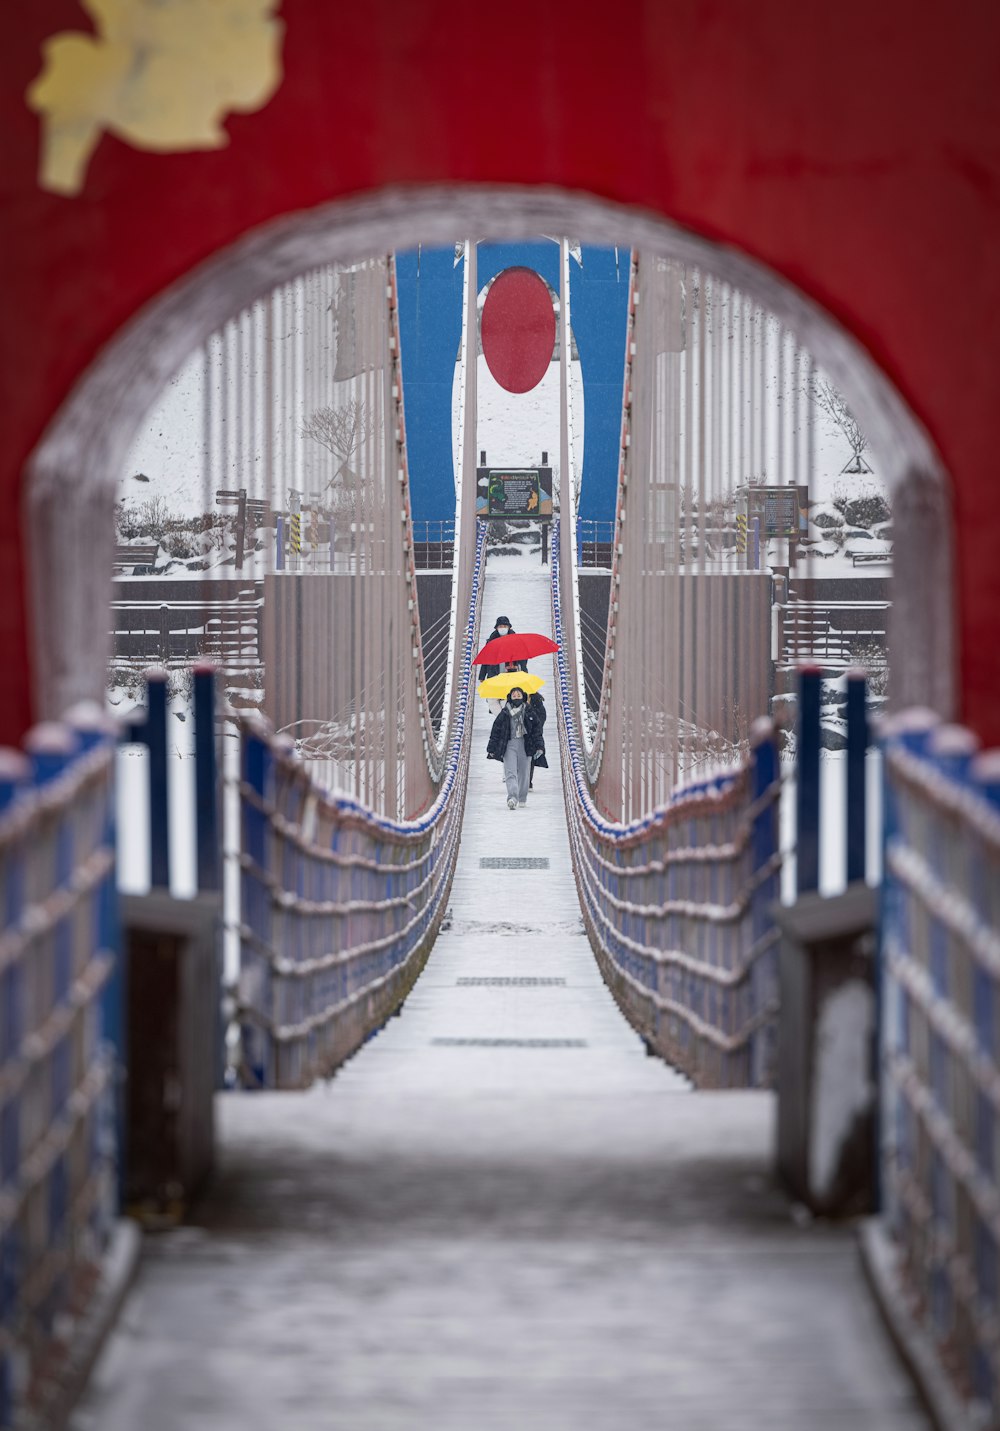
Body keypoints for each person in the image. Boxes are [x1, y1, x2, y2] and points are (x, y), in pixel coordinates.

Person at [487, 685, 545, 809]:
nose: (516, 697)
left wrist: (540, 746)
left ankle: (522, 797)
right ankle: (512, 797)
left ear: (523, 696)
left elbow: (537, 730)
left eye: (518, 695)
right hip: (509, 744)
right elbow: (496, 730)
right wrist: (491, 748)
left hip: (526, 744)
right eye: (514, 695)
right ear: (510, 697)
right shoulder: (504, 712)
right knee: (510, 771)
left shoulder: (529, 711)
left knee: (524, 773)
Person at [526, 690, 548, 789]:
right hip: (517, 736)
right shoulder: (513, 701)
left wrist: (533, 721)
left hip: (532, 735)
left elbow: (542, 716)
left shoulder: (536, 701)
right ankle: (520, 781)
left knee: (530, 759)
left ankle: (528, 781)